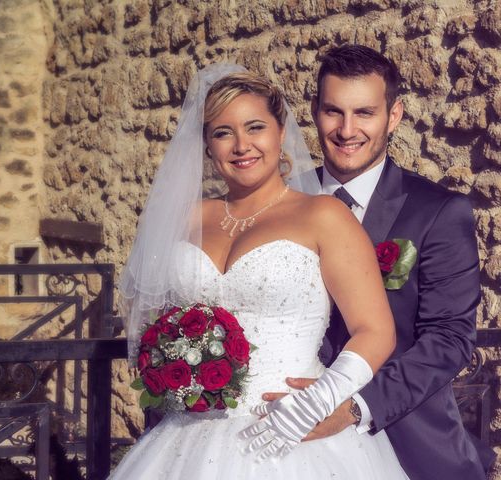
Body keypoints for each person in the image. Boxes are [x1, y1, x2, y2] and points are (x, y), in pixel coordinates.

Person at [111, 64, 410, 479]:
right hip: (188, 436)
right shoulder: (187, 218)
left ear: (279, 130)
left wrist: (323, 399)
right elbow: (156, 320)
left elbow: (376, 329)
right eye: (222, 132)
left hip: (292, 426)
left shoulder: (323, 215)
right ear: (207, 145)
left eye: (255, 127)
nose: (241, 145)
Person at [262, 45, 494, 479]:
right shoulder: (279, 203)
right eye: (334, 112)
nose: (347, 130)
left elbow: (448, 340)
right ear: (314, 111)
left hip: (401, 437)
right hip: (284, 435)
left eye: (364, 113)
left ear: (395, 115)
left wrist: (351, 408)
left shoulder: (439, 212)